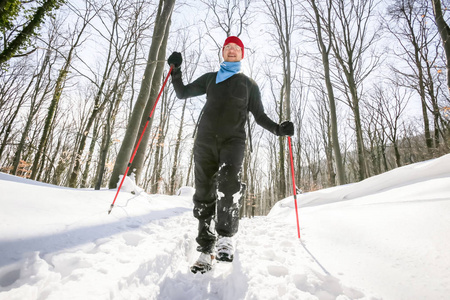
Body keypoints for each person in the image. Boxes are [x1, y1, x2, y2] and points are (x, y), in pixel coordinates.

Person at [167, 36, 294, 274]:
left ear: (242, 54)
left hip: (233, 142)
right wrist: (176, 70)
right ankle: (206, 250)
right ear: (223, 53)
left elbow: (259, 116)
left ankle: (225, 238)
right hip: (205, 142)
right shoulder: (210, 79)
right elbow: (182, 93)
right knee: (203, 195)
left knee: (228, 185)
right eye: (228, 48)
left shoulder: (248, 85)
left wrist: (279, 129)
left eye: (237, 48)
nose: (232, 50)